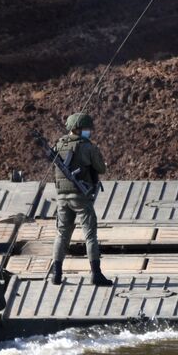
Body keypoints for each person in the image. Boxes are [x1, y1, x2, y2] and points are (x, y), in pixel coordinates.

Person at [49, 112, 112, 287]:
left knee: (62, 233)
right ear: (78, 129)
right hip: (81, 196)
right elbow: (101, 168)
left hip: (62, 197)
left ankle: (56, 274)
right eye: (86, 129)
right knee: (90, 235)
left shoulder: (58, 145)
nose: (88, 132)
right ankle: (96, 274)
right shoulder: (87, 147)